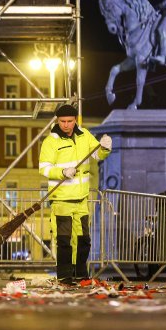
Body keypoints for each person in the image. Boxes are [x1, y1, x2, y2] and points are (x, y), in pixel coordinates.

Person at [38, 103, 111, 284]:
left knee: (83, 240)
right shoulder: (51, 141)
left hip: (81, 199)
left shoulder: (85, 135)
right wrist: (62, 172)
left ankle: (80, 274)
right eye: (62, 121)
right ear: (57, 121)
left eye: (70, 121)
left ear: (75, 120)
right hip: (61, 199)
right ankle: (64, 276)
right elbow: (44, 168)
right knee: (64, 240)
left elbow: (98, 155)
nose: (66, 125)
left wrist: (105, 148)